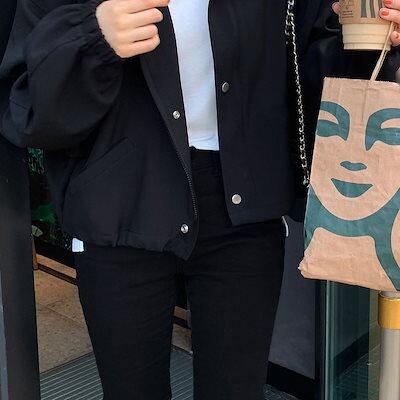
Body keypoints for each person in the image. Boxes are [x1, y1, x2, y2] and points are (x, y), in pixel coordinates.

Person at [0, 0, 400, 399]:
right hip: (119, 201)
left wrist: (380, 38)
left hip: (243, 206)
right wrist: (94, 36)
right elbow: (27, 108)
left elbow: (323, 65)